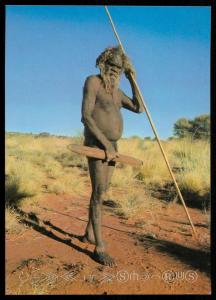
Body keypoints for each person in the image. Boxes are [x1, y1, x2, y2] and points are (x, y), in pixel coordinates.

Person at [81, 46, 144, 266]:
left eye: (119, 68)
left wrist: (133, 79)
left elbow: (139, 108)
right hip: (97, 145)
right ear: (103, 64)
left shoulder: (118, 93)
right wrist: (106, 144)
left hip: (112, 148)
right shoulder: (93, 82)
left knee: (102, 191)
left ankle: (89, 232)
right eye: (113, 66)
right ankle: (99, 247)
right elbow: (86, 117)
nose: (115, 71)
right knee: (99, 193)